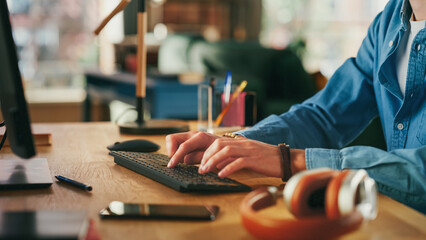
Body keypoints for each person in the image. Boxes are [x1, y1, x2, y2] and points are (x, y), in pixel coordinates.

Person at [166, 0, 426, 214]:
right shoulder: (388, 21)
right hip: (397, 218)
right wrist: (233, 144)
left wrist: (293, 160)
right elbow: (324, 116)